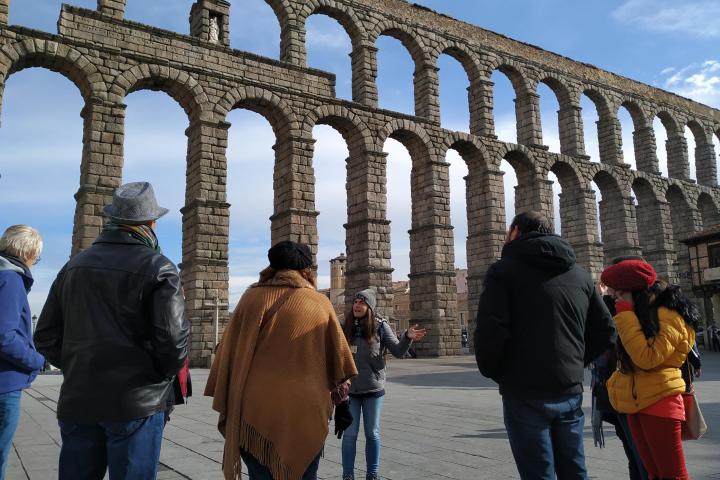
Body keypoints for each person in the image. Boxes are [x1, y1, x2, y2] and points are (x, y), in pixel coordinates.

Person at [34, 182, 190, 480]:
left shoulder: (72, 268)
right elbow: (172, 341)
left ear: (113, 220)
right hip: (136, 402)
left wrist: (82, 365)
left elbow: (45, 336)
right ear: (151, 222)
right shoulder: (160, 268)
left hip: (79, 400)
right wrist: (157, 376)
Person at [474, 211, 616, 479]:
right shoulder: (581, 275)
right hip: (569, 389)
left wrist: (499, 372)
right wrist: (575, 362)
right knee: (574, 470)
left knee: (538, 473)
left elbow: (490, 331)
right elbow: (607, 330)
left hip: (524, 391)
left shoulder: (503, 271)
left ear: (515, 231)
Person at [205, 240, 357, 480]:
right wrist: (343, 403)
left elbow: (229, 353)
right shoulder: (320, 304)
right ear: (307, 270)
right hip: (306, 412)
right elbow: (338, 362)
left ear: (272, 266)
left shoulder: (249, 299)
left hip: (254, 411)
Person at [603, 259, 698, 480]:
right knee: (652, 473)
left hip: (660, 402)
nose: (615, 300)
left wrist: (625, 315)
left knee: (672, 475)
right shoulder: (642, 313)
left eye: (617, 295)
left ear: (632, 292)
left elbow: (647, 358)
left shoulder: (668, 315)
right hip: (638, 400)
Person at [341, 289, 426, 480]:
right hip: (350, 390)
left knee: (372, 433)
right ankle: (347, 475)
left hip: (373, 388)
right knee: (349, 435)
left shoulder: (380, 327)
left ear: (369, 307)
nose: (357, 305)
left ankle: (372, 474)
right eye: (355, 302)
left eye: (361, 303)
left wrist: (407, 337)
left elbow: (397, 350)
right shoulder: (344, 326)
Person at [0, 225, 46, 479]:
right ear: (28, 252)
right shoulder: (10, 279)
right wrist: (35, 360)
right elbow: (4, 336)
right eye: (36, 258)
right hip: (4, 384)